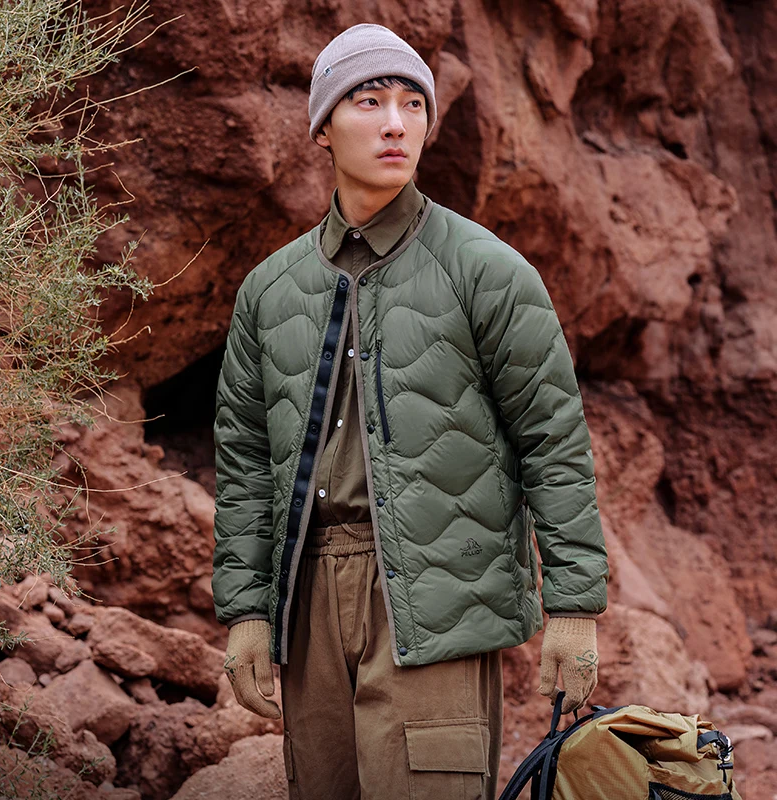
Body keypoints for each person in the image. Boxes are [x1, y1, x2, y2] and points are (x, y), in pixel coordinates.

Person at [212, 22, 608, 800]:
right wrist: (248, 613)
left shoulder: (487, 272)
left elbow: (553, 442)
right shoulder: (268, 291)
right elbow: (247, 464)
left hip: (438, 602)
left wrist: (573, 608)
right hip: (309, 603)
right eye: (369, 102)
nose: (396, 123)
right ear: (323, 127)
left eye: (412, 104)